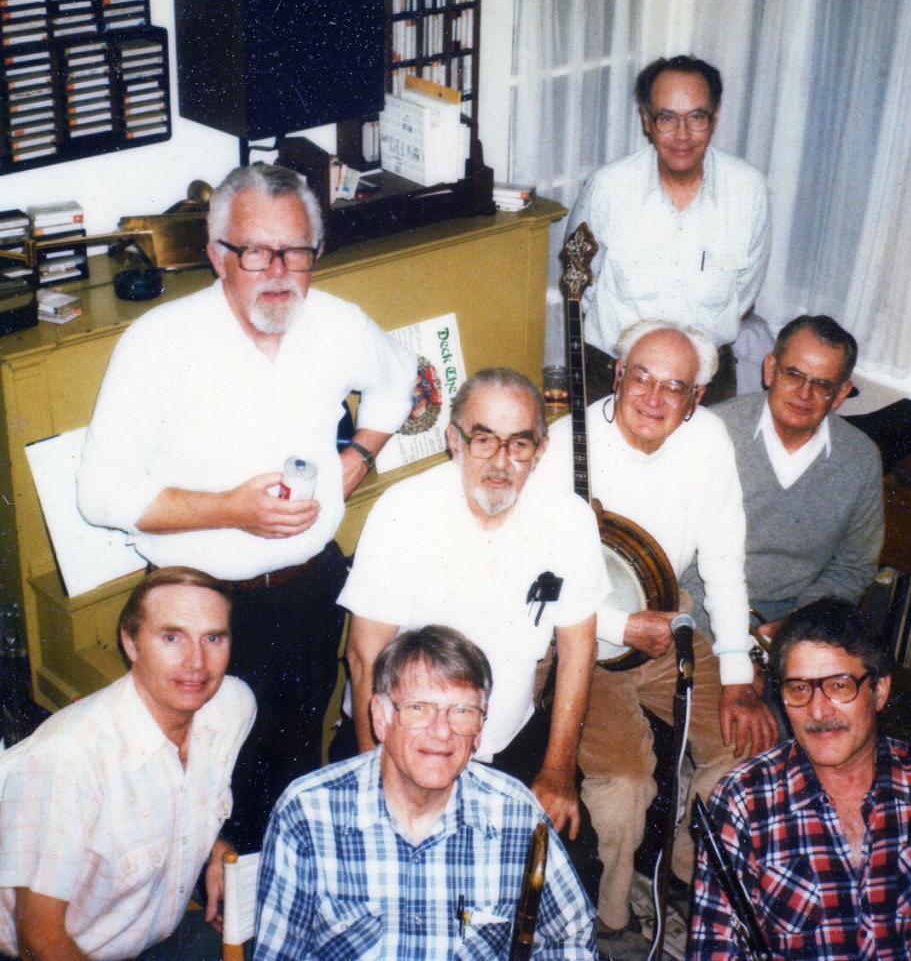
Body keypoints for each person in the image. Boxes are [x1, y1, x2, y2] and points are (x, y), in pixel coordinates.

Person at [77, 163, 417, 852]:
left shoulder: (335, 323)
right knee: (196, 789)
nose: (278, 271)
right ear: (216, 256)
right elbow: (100, 495)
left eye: (296, 251)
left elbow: (401, 374)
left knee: (291, 766)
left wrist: (358, 459)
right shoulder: (159, 343)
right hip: (197, 608)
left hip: (309, 591)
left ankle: (272, 911)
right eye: (254, 251)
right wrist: (230, 509)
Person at [532, 320, 776, 954]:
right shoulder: (566, 443)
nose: (654, 397)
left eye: (676, 386)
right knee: (624, 788)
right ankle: (612, 917)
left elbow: (724, 561)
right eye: (641, 376)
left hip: (670, 621)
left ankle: (694, 878)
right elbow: (529, 574)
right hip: (582, 637)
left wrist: (740, 679)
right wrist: (616, 625)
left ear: (696, 399)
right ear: (617, 373)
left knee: (743, 747)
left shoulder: (709, 441)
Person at [341, 367, 608, 895]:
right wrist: (378, 771)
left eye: (519, 443)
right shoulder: (402, 511)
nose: (500, 461)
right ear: (453, 440)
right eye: (483, 439)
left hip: (508, 740)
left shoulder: (570, 519)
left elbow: (579, 648)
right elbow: (363, 655)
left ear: (541, 449)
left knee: (569, 875)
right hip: (404, 736)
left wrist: (558, 771)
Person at [688, 598, 911, 958]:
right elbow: (716, 951)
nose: (818, 711)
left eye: (839, 685)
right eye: (798, 688)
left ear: (879, 691)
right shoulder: (743, 800)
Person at [255, 626, 597, 960]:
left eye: (463, 712)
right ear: (380, 718)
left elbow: (570, 938)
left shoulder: (516, 814)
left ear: (479, 730)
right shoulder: (308, 813)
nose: (442, 731)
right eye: (419, 708)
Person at [0, 567, 256, 961]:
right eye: (172, 637)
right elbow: (40, 937)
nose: (196, 662)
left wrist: (213, 846)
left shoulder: (232, 707)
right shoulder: (68, 760)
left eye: (213, 638)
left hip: (147, 932)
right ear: (131, 643)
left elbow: (176, 795)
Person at [567, 54, 770, 404]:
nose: (682, 135)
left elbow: (746, 289)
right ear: (647, 120)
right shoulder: (607, 188)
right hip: (616, 377)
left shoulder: (748, 189)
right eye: (667, 118)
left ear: (715, 117)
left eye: (696, 117)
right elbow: (581, 283)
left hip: (706, 381)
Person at [684, 314, 883, 643]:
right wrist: (731, 639)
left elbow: (854, 565)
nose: (804, 394)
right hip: (704, 609)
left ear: (841, 393)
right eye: (793, 374)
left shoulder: (860, 460)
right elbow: (682, 552)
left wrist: (797, 627)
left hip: (801, 618)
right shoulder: (712, 432)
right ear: (769, 369)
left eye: (822, 384)